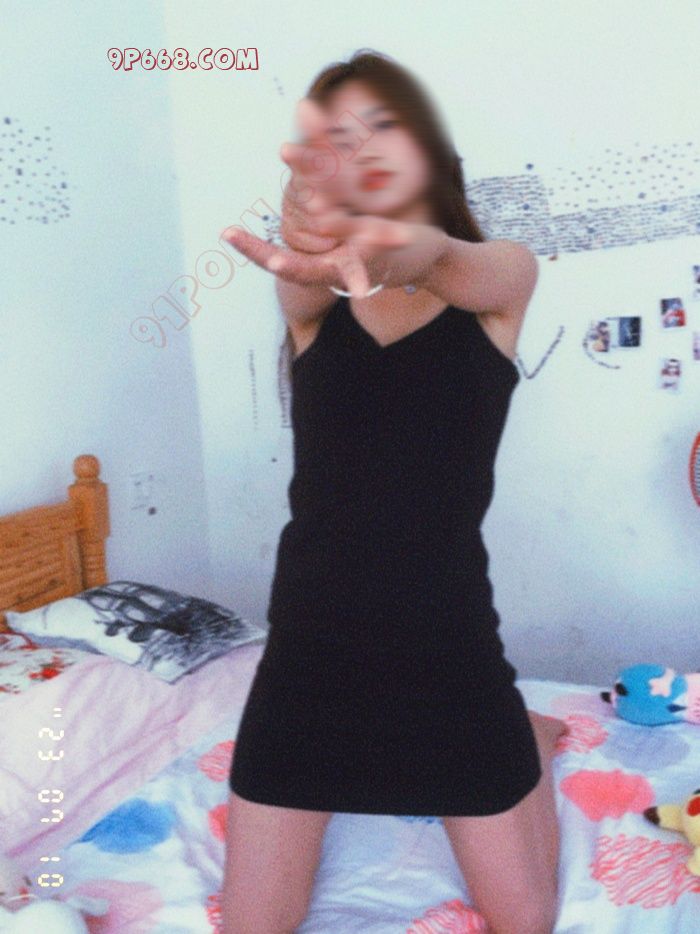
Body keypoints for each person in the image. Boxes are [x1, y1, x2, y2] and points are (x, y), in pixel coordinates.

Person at [219, 49, 568, 934]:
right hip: (309, 645)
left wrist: (397, 249)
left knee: (525, 922)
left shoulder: (500, 279)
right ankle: (524, 731)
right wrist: (322, 242)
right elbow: (316, 260)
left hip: (447, 641)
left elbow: (436, 257)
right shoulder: (310, 301)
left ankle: (524, 732)